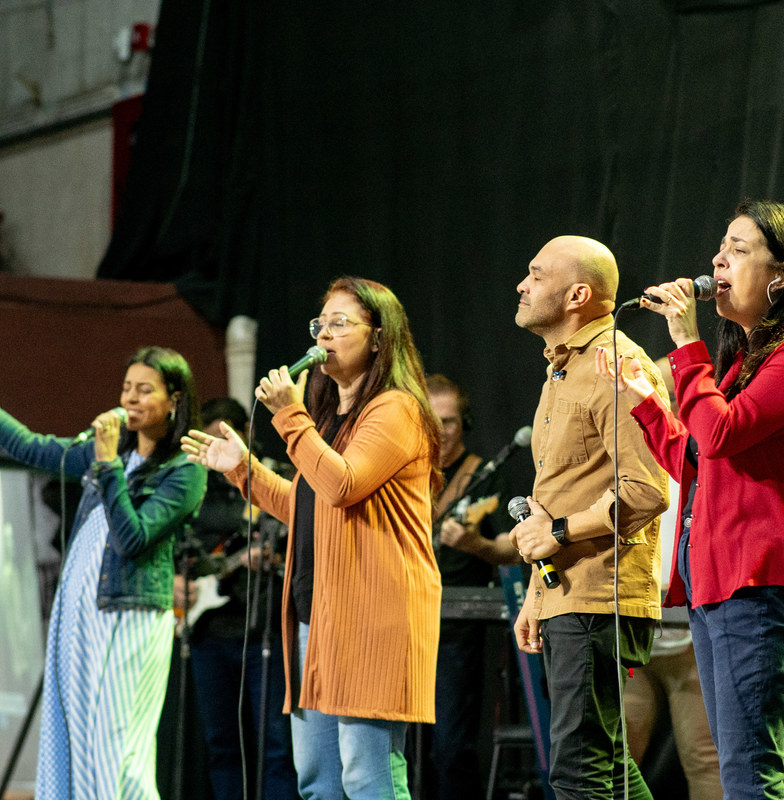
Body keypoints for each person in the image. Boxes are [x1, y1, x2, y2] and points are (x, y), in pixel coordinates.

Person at [598, 201, 784, 798]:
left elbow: (718, 433)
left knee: (747, 769)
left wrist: (686, 344)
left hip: (763, 575)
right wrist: (645, 400)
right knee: (740, 762)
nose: (718, 259)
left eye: (740, 249)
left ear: (782, 274)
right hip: (716, 578)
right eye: (721, 246)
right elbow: (696, 464)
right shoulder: (742, 363)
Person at [183, 276, 443, 800]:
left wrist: (288, 415)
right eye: (319, 324)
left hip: (372, 614)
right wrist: (243, 469)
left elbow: (342, 485)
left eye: (339, 324)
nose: (323, 334)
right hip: (316, 615)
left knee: (368, 777)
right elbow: (308, 507)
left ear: (378, 338)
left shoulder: (395, 410)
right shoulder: (330, 418)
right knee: (318, 782)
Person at [0, 346, 206, 800]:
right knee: (74, 745)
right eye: (126, 388)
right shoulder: (102, 455)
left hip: (127, 616)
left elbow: (133, 538)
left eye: (144, 390)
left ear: (174, 400)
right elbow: (28, 446)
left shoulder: (185, 469)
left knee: (116, 752)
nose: (130, 399)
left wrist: (110, 462)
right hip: (78, 617)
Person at [510, 235, 670, 799]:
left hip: (600, 599)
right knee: (607, 765)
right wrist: (537, 594)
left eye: (535, 274)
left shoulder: (616, 366)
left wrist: (558, 533)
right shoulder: (563, 370)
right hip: (566, 596)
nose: (521, 285)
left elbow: (648, 490)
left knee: (580, 773)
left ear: (578, 293)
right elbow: (560, 493)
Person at [174, 397, 298, 800]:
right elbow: (177, 547)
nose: (217, 448)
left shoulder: (269, 478)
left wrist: (263, 558)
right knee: (222, 745)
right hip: (208, 632)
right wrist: (176, 580)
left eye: (225, 437)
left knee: (277, 746)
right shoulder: (193, 488)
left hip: (263, 630)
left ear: (247, 432)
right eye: (210, 440)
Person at [622, 358, 720, 800]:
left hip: (690, 635)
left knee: (706, 757)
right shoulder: (625, 458)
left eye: (672, 393)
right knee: (614, 759)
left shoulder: (706, 456)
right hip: (632, 631)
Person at [423, 373, 520, 800]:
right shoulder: (404, 473)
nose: (440, 431)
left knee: (450, 749)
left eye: (449, 421)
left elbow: (512, 548)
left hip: (456, 634)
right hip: (403, 626)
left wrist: (475, 544)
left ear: (465, 423)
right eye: (431, 420)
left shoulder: (481, 474)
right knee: (405, 750)